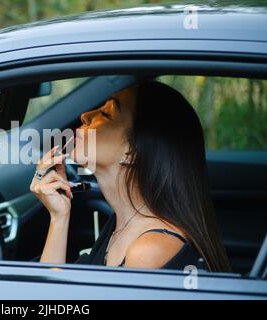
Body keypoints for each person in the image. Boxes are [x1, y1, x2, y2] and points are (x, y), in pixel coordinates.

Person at [29, 80, 231, 272]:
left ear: (132, 152)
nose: (86, 115)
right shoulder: (121, 225)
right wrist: (59, 217)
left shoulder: (149, 250)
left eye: (106, 114)